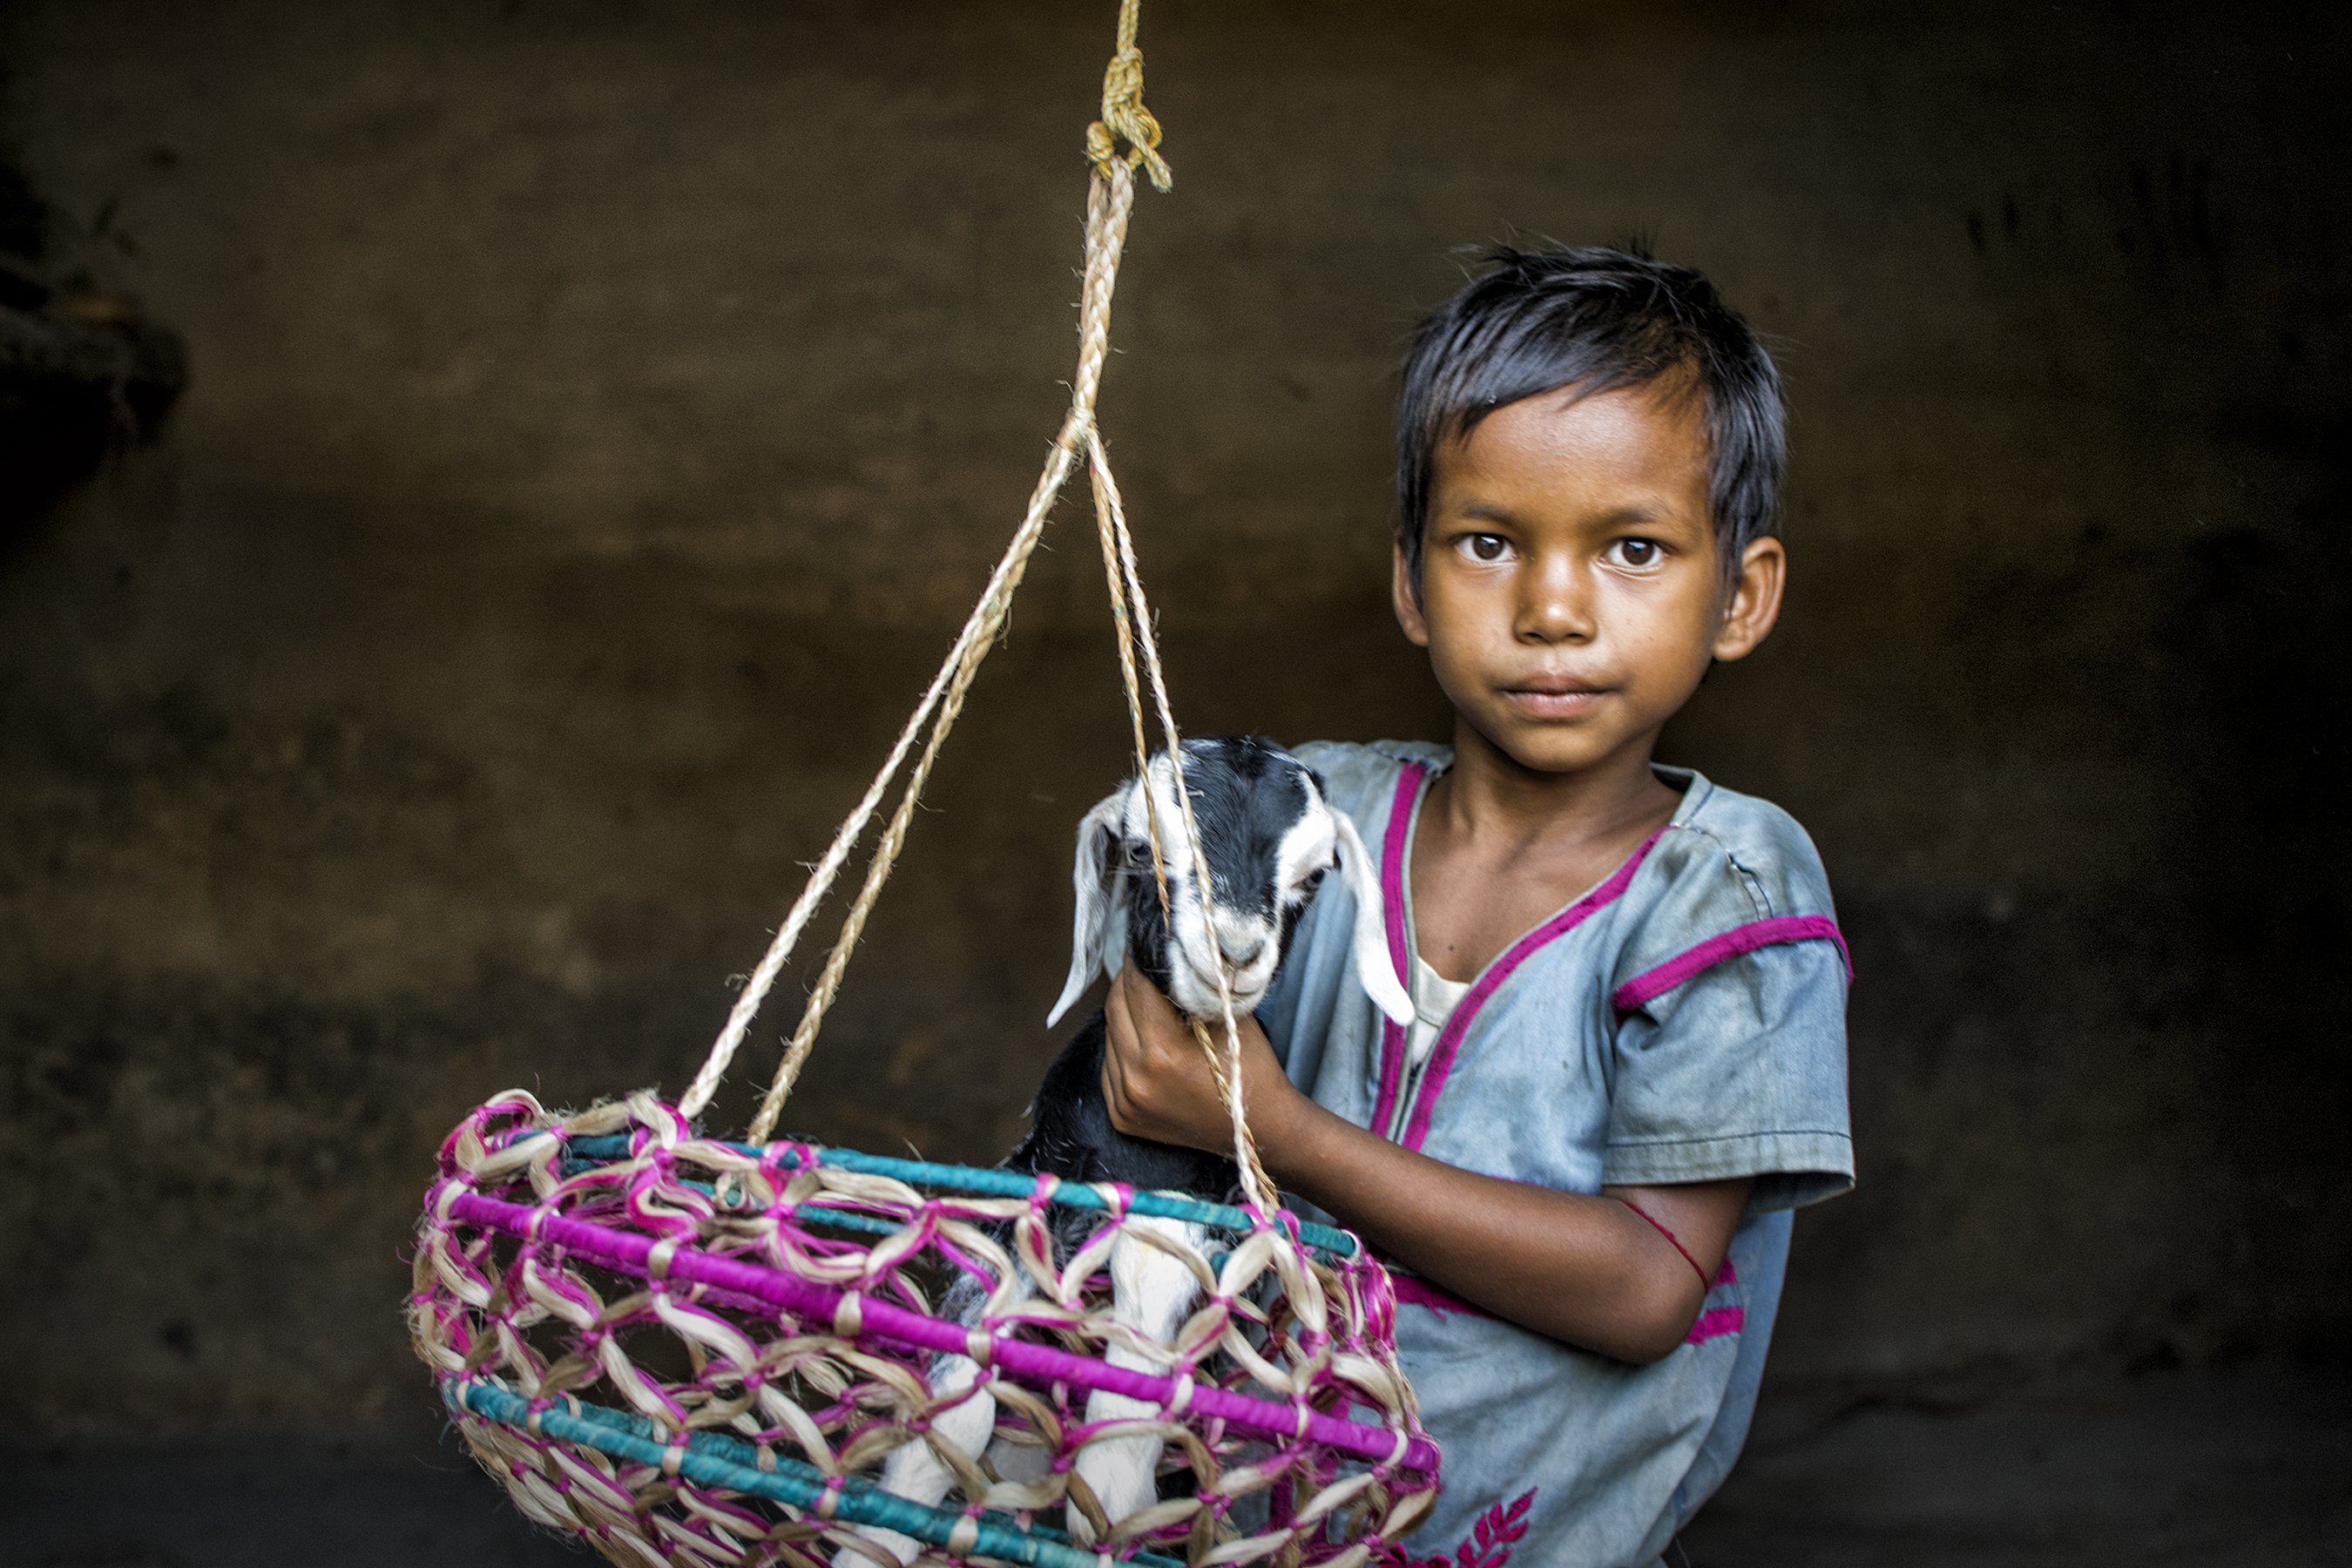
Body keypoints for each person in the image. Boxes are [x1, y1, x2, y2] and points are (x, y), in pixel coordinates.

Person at [1098, 246, 1855, 1566]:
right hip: (1243, 1533)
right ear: (1411, 582)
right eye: (1490, 544)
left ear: (1740, 595)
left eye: (1632, 549)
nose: (1552, 610)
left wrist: (1282, 1130)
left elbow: (1645, 1288)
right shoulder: (1311, 822)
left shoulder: (1727, 892)